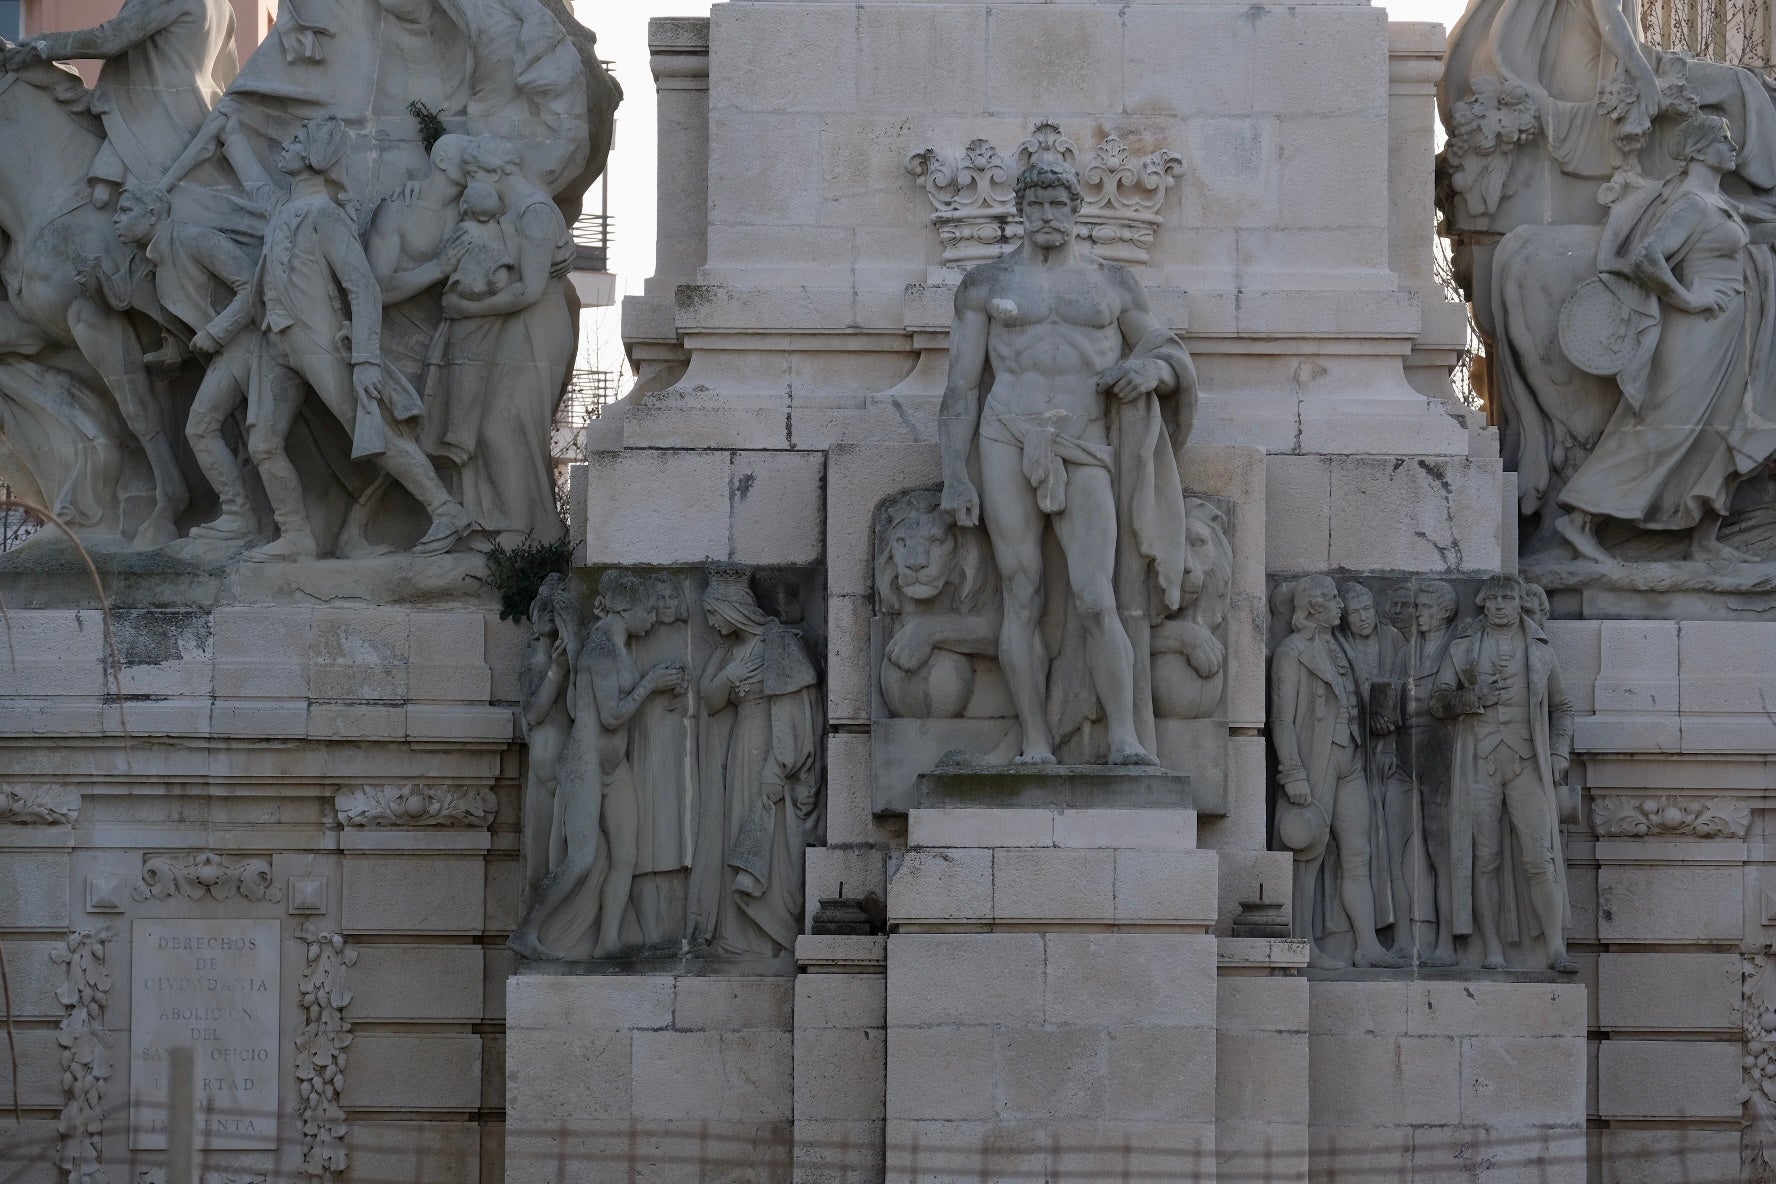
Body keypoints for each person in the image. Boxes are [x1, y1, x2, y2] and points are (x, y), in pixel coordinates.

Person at [938, 152, 1196, 766]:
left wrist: (1152, 371)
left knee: (1094, 595)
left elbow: (1163, 349)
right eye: (1036, 205)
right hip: (1006, 438)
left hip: (1084, 445)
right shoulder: (986, 285)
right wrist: (953, 472)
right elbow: (961, 386)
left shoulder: (1111, 283)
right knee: (1019, 593)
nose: (1047, 215)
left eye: (1058, 204)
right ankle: (1033, 743)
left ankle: (1126, 737)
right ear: (1020, 211)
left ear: (1077, 211)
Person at [224, 116, 472, 562]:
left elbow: (364, 288)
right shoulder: (285, 209)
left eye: (298, 138)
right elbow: (255, 188)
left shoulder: (326, 216)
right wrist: (230, 135)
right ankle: (296, 535)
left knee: (374, 431)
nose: (287, 143)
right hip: (275, 343)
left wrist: (365, 361)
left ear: (317, 157)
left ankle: (445, 511)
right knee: (263, 442)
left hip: (319, 342)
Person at [1556, 114, 1776, 564]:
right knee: (1664, 428)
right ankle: (1579, 518)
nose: (1732, 148)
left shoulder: (1715, 201)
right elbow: (1646, 256)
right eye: (1723, 140)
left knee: (1720, 432)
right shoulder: (1691, 203)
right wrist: (1687, 298)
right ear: (1698, 150)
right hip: (1695, 335)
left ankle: (1703, 538)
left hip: (1730, 332)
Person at [508, 569, 687, 960]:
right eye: (647, 611)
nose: (654, 618)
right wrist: (651, 684)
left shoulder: (616, 646)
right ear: (625, 610)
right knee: (582, 858)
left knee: (626, 854)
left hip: (612, 765)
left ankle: (609, 939)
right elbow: (611, 715)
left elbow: (577, 704)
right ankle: (527, 931)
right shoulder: (602, 649)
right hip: (584, 764)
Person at [85, 183, 260, 542]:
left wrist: (216, 332)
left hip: (248, 346)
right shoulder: (151, 258)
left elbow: (253, 287)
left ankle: (244, 517)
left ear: (152, 215)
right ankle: (257, 519)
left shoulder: (197, 240)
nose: (115, 220)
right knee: (253, 440)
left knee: (212, 430)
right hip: (225, 352)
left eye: (125, 211)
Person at [422, 136, 574, 548]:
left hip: (534, 326)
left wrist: (465, 309)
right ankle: (518, 525)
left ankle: (520, 528)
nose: (470, 184)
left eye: (474, 174)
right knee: (501, 422)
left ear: (500, 171)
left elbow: (528, 290)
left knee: (502, 424)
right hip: (510, 323)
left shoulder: (534, 212)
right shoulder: (514, 213)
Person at [1431, 576, 1579, 973]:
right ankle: (1491, 946)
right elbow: (1438, 700)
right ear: (1483, 603)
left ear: (1519, 603)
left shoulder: (1541, 649)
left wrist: (1559, 751)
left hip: (1527, 762)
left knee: (1540, 856)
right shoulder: (1464, 645)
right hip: (1480, 762)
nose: (1499, 605)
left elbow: (1562, 708)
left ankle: (1553, 947)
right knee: (1485, 858)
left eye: (1507, 598)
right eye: (1493, 599)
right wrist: (1472, 698)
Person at [1272, 576, 1405, 971]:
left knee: (1358, 852)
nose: (1341, 607)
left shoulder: (1342, 646)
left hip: (1352, 758)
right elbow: (1281, 718)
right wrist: (1292, 772)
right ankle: (1303, 941)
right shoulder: (1292, 651)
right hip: (1316, 759)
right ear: (1313, 606)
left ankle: (1367, 944)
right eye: (1332, 600)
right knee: (1308, 854)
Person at [1, 0, 236, 207]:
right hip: (193, 120)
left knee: (123, 211)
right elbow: (228, 76)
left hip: (152, 120)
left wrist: (42, 45)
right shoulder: (223, 6)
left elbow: (108, 39)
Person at [699, 565, 821, 958]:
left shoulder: (778, 644)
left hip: (768, 749)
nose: (712, 624)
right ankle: (738, 939)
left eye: (715, 615)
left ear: (733, 608)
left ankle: (770, 936)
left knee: (772, 841)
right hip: (741, 749)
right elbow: (711, 701)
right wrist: (731, 673)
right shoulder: (730, 652)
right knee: (739, 833)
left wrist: (777, 764)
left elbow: (791, 710)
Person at [1336, 581, 1416, 955]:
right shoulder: (1339, 647)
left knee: (1393, 847)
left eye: (1368, 609)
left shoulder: (1395, 641)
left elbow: (1410, 695)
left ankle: (1400, 933)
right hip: (1354, 756)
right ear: (1345, 616)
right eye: (1355, 612)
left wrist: (1391, 726)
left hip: (1392, 757)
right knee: (1364, 845)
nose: (1363, 618)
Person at [1388, 579, 1463, 965]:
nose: (1417, 614)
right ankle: (1404, 938)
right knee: (1396, 852)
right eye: (1416, 607)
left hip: (1441, 760)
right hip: (1403, 758)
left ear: (1446, 611)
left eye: (1425, 607)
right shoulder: (1406, 653)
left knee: (1440, 854)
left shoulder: (1458, 648)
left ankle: (1447, 943)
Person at [518, 573, 577, 896]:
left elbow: (576, 711)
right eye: (543, 609)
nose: (549, 615)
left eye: (555, 610)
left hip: (567, 774)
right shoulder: (534, 662)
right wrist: (557, 672)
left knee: (561, 870)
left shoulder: (572, 658)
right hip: (541, 779)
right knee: (536, 873)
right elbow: (533, 713)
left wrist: (567, 667)